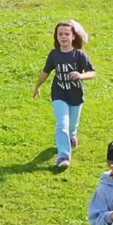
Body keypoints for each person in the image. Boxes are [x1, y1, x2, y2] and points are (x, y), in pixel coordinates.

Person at [33, 20, 96, 170]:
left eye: (67, 34)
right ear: (56, 36)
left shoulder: (79, 55)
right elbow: (46, 72)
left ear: (73, 36)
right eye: (60, 34)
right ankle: (63, 156)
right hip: (59, 93)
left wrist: (80, 76)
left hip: (76, 95)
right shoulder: (54, 55)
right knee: (62, 124)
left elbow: (92, 72)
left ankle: (72, 136)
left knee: (72, 125)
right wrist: (38, 87)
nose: (63, 37)